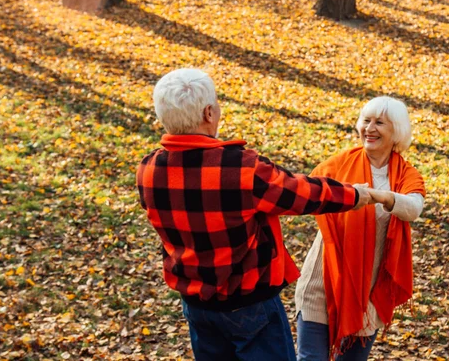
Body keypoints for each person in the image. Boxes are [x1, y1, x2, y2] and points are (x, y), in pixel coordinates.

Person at [136, 68, 386, 361]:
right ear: (208, 113)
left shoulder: (148, 169)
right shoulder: (239, 168)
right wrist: (357, 195)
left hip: (196, 305)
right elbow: (301, 194)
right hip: (249, 305)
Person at [294, 96, 426, 361]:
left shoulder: (404, 175)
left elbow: (413, 208)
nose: (370, 128)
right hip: (321, 283)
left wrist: (383, 197)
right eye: (366, 121)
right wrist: (345, 195)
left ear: (396, 132)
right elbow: (307, 195)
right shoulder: (339, 165)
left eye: (379, 123)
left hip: (368, 293)